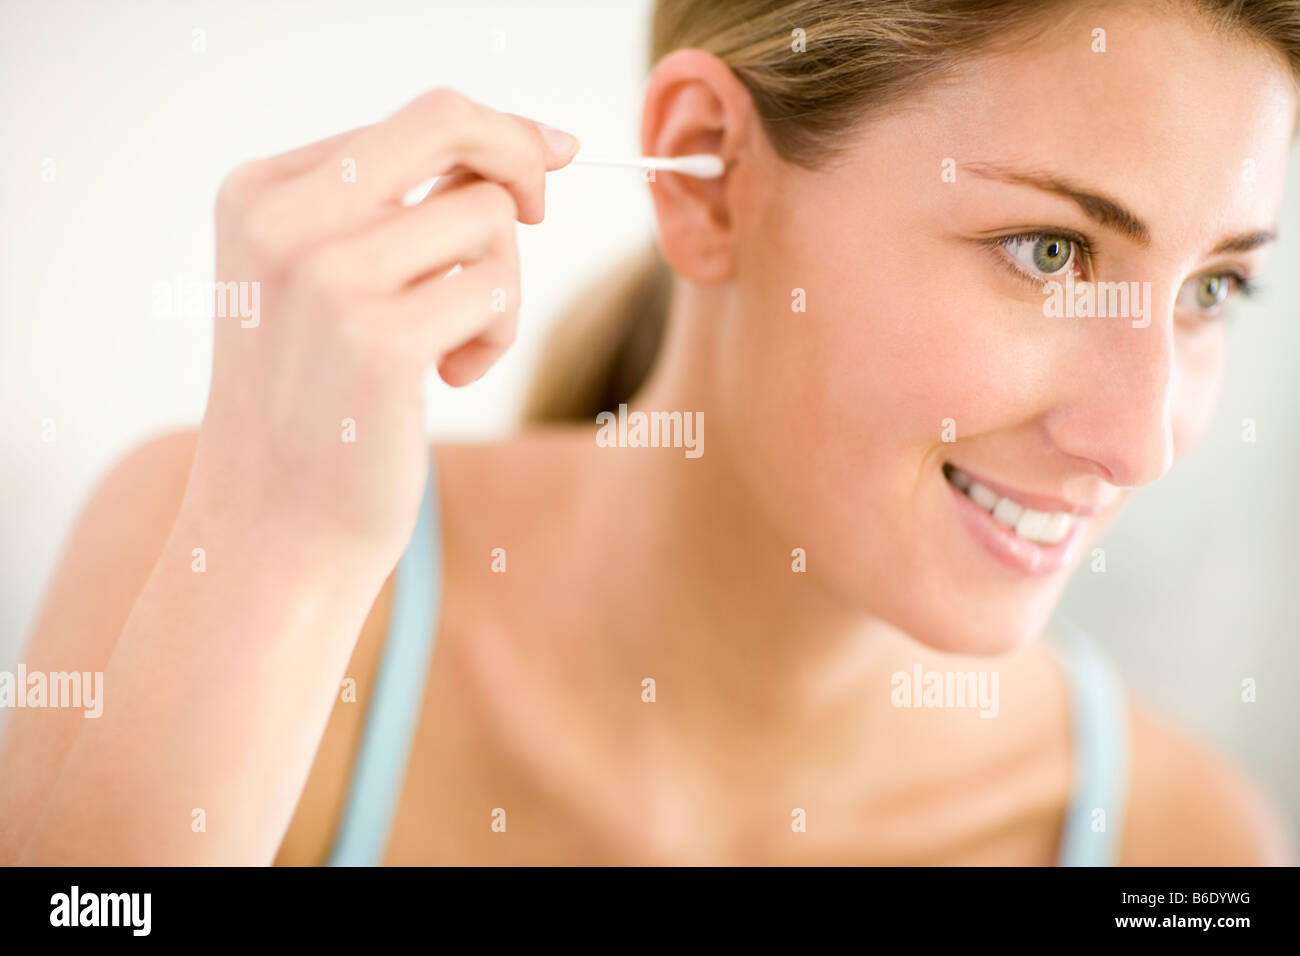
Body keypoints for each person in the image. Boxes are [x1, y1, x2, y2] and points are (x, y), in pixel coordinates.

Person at [2, 0, 1296, 865]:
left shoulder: (1179, 850)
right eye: (1050, 251)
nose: (1143, 443)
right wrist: (285, 550)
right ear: (709, 173)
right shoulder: (223, 559)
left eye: (1214, 289)